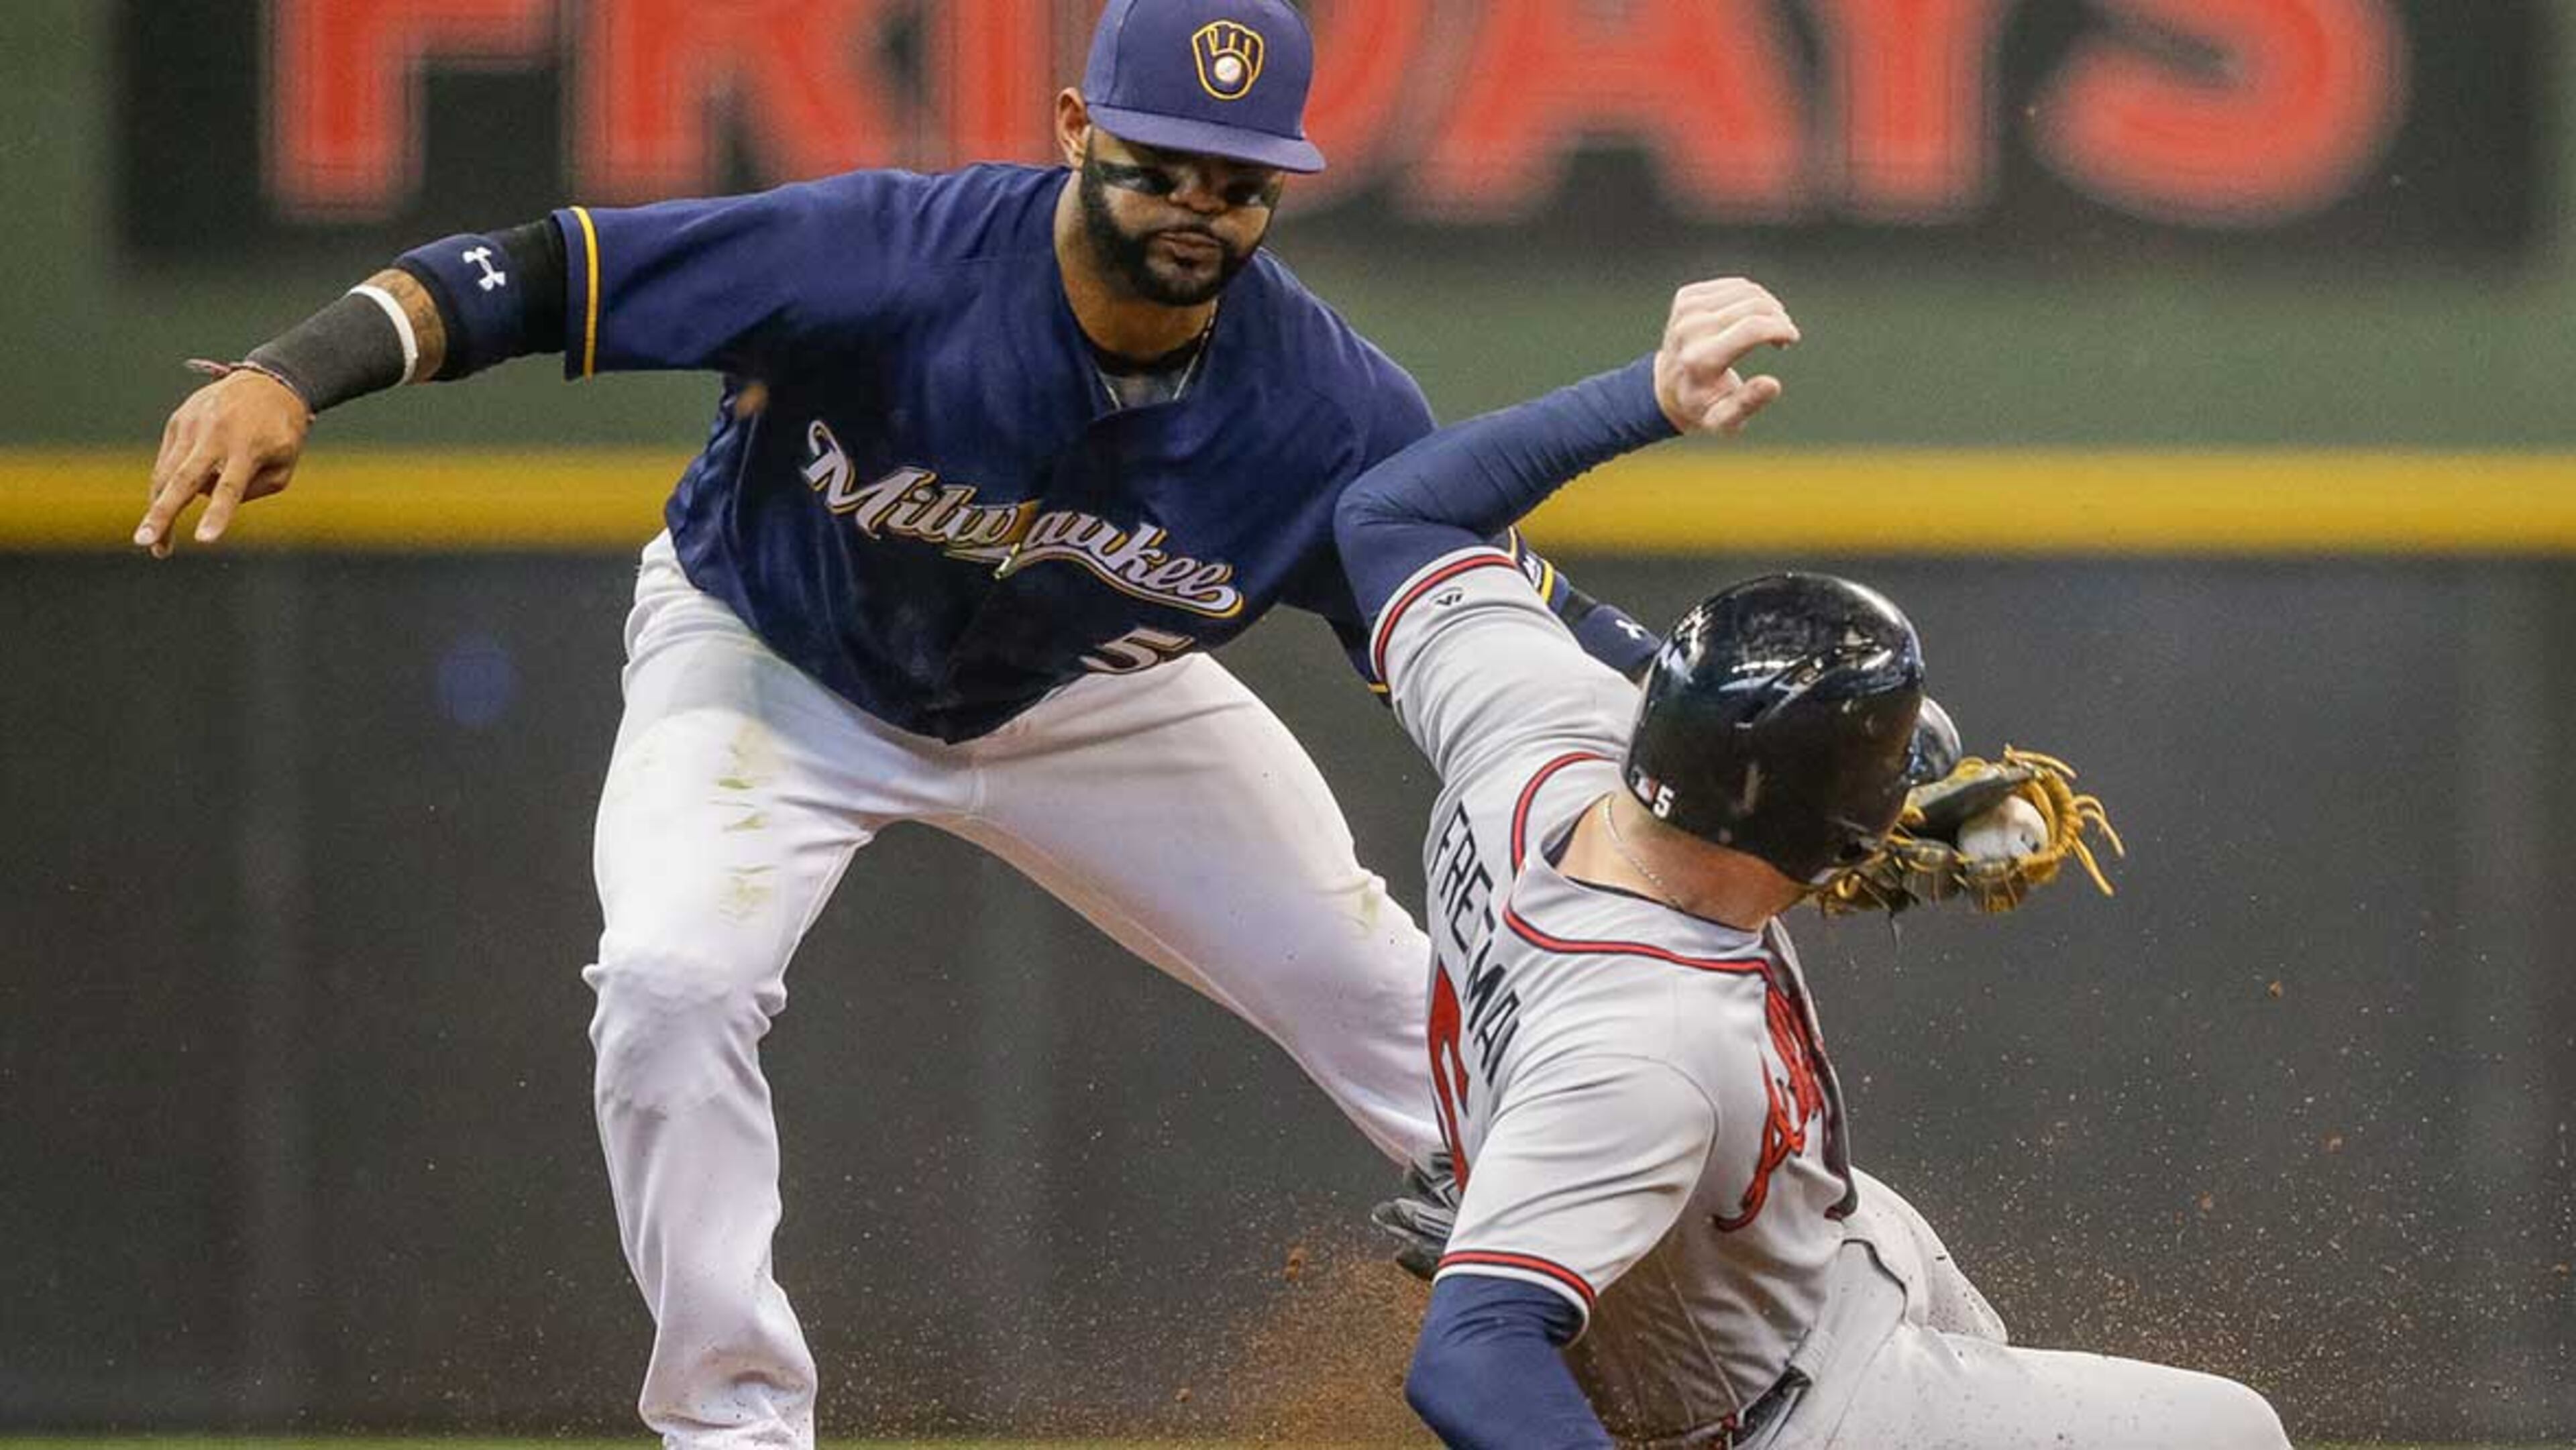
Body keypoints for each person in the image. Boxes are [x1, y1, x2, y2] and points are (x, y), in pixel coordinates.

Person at [135, 3, 1664, 1445]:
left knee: (1392, 987)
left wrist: (1724, 740)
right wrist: (295, 372)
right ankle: (733, 1422)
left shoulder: (1326, 407)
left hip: (1085, 695)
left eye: (1242, 180)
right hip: (771, 656)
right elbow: (543, 270)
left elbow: (1493, 608)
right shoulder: (884, 255)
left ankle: (1687, 1346)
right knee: (673, 980)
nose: (1199, 204)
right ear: (1075, 126)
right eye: (1161, 164)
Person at [1335, 280, 2295, 1448]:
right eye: (1881, 788)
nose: (1909, 802)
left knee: (1944, 1300)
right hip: (1773, 1409)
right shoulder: (1649, 1047)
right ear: (1815, 838)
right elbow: (1473, 1355)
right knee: (2234, 1432)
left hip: (1798, 1245)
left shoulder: (1542, 731)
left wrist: (1638, 399)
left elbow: (1390, 518)